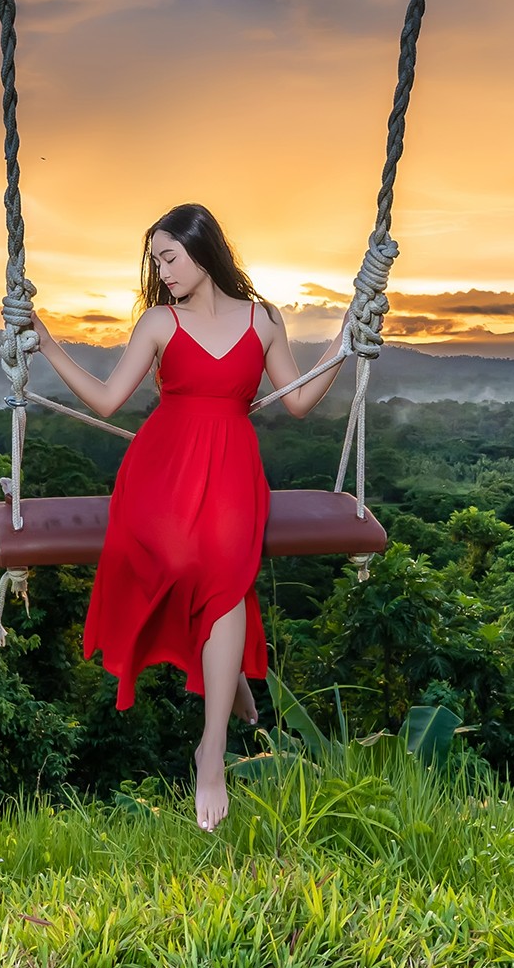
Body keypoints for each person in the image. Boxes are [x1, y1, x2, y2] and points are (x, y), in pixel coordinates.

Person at [29, 202, 352, 830]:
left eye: (170, 256)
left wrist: (346, 342)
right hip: (161, 467)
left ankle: (212, 755)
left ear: (203, 249)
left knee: (227, 573)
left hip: (232, 467)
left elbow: (301, 402)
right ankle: (229, 682)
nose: (163, 269)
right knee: (179, 559)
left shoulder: (263, 321)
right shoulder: (158, 322)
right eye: (156, 261)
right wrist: (46, 344)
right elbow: (106, 398)